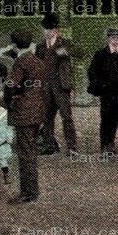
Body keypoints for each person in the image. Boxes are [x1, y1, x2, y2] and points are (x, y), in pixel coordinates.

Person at [3, 30, 48, 203]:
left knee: (25, 153)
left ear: (14, 45)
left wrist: (8, 98)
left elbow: (11, 85)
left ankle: (28, 193)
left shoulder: (21, 62)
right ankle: (32, 190)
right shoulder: (38, 61)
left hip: (24, 112)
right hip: (37, 111)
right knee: (31, 151)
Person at [35, 13, 78, 156]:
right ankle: (49, 145)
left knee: (66, 116)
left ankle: (72, 147)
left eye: (51, 29)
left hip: (61, 86)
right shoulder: (40, 46)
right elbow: (37, 64)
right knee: (47, 117)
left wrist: (67, 52)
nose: (47, 32)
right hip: (46, 86)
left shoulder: (64, 43)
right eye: (45, 29)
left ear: (56, 30)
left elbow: (81, 52)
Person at [87, 27, 118, 159]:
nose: (116, 41)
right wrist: (101, 84)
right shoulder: (101, 54)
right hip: (106, 92)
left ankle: (111, 142)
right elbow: (92, 71)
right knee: (106, 117)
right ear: (108, 39)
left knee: (116, 117)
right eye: (113, 38)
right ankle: (104, 144)